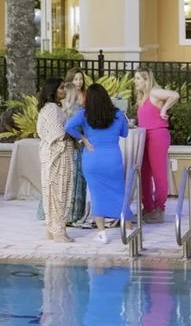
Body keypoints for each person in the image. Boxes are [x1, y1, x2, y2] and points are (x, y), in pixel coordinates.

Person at [66, 83, 130, 233]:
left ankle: (102, 233)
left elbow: (68, 127)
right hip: (112, 159)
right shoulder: (118, 114)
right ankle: (128, 229)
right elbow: (125, 133)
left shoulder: (84, 114)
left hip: (92, 158)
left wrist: (82, 138)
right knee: (120, 194)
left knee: (96, 196)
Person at [38, 74, 83, 239]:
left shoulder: (49, 108)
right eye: (61, 87)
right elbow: (58, 133)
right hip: (58, 155)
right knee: (59, 192)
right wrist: (75, 136)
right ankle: (59, 231)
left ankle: (52, 229)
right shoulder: (52, 109)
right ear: (53, 91)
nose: (65, 90)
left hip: (51, 154)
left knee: (52, 192)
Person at [135, 84, 172, 221]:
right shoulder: (142, 97)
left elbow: (174, 95)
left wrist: (164, 109)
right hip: (144, 135)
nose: (135, 81)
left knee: (158, 173)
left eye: (138, 78)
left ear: (145, 80)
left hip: (157, 135)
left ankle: (159, 208)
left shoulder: (155, 92)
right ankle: (148, 207)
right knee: (144, 173)